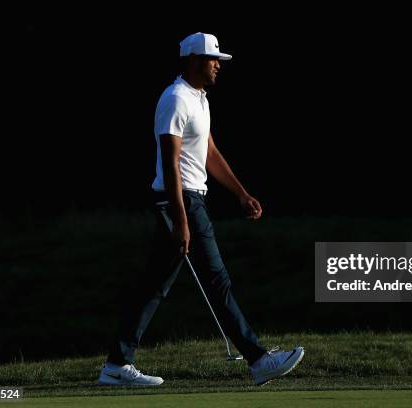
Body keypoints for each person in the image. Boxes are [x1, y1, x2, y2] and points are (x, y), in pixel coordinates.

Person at [98, 32, 304, 387]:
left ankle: (117, 363)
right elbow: (171, 163)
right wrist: (181, 220)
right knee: (217, 279)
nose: (218, 66)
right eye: (213, 60)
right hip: (180, 201)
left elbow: (208, 152)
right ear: (193, 60)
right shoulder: (175, 99)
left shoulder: (200, 99)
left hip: (191, 198)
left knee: (154, 286)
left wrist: (241, 193)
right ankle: (257, 360)